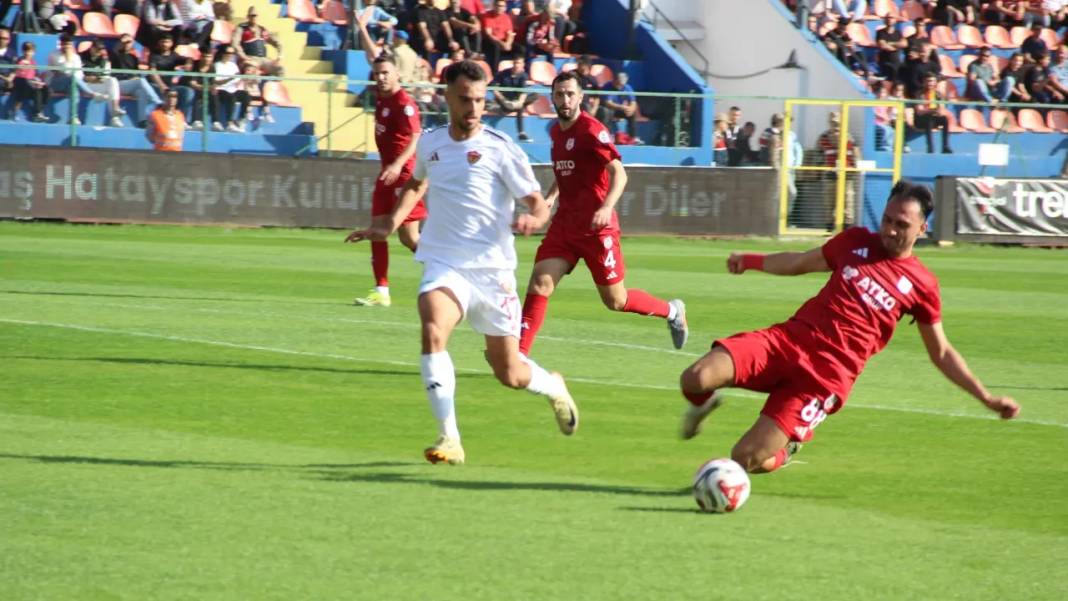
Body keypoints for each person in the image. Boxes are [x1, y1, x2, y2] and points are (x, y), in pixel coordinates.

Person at [678, 180, 1021, 474]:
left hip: (824, 378)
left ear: (921, 229)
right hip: (786, 342)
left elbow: (942, 352)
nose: (889, 230)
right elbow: (799, 262)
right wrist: (750, 261)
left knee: (744, 458)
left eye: (901, 224)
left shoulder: (922, 285)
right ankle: (702, 406)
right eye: (886, 220)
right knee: (694, 378)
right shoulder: (855, 241)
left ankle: (784, 451)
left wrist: (986, 397)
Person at [345, 60, 580, 465]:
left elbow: (540, 206)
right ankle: (449, 437)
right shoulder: (432, 143)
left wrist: (532, 219)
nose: (473, 108)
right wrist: (390, 223)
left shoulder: (501, 150)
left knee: (510, 374)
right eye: (465, 99)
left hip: (493, 272)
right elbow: (417, 184)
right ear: (447, 96)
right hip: (445, 263)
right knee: (433, 326)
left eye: (479, 100)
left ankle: (553, 384)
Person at [517, 70, 688, 358]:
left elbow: (619, 173)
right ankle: (518, 355)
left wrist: (607, 207)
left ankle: (672, 311)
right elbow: (565, 170)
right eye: (559, 94)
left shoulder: (592, 131)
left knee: (616, 300)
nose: (565, 99)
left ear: (581, 97)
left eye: (571, 94)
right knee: (540, 281)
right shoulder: (556, 132)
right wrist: (548, 199)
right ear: (553, 98)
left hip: (597, 229)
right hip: (565, 226)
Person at [346, 54, 426, 308]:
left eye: (385, 73)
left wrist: (398, 164)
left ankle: (447, 271)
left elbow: (416, 136)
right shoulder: (383, 98)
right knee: (378, 231)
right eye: (377, 74)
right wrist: (362, 27)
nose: (380, 78)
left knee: (409, 238)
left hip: (403, 175)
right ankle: (381, 290)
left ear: (397, 75)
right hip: (386, 174)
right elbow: (375, 58)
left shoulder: (404, 103)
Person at [490, 54, 539, 142]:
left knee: (535, 95)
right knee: (517, 107)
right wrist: (503, 100)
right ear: (513, 63)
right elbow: (493, 87)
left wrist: (519, 102)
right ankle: (521, 133)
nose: (517, 65)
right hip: (504, 101)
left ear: (522, 64)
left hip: (516, 101)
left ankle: (521, 134)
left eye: (519, 63)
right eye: (515, 63)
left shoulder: (523, 75)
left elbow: (523, 92)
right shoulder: (503, 73)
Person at [79, 40, 127, 128]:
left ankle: (115, 111)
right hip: (85, 86)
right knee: (110, 89)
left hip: (97, 84)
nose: (99, 52)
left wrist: (98, 79)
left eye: (100, 50)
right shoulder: (81, 56)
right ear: (92, 48)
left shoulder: (102, 59)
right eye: (97, 49)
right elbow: (79, 76)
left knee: (112, 81)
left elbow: (104, 76)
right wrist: (89, 78)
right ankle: (115, 117)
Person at [912, 72, 952, 154]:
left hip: (934, 117)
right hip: (921, 120)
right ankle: (930, 148)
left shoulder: (938, 94)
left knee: (944, 119)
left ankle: (945, 147)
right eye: (928, 81)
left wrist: (937, 110)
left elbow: (942, 109)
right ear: (924, 82)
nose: (930, 83)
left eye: (933, 81)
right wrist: (932, 110)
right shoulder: (919, 94)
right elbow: (919, 111)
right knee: (929, 119)